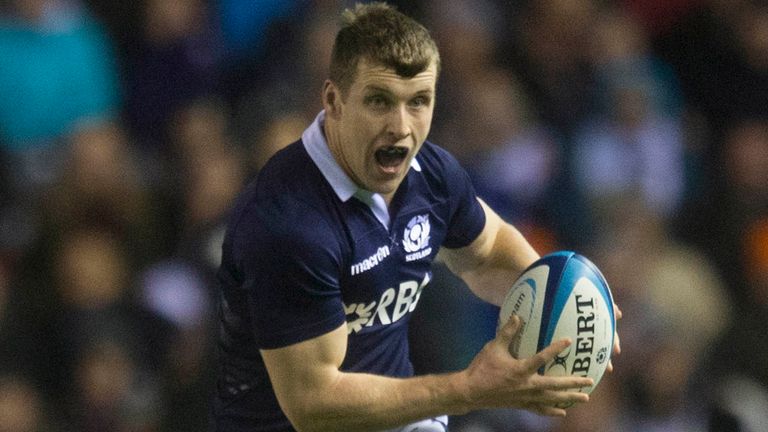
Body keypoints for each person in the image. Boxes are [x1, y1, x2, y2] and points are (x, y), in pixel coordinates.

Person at [211, 3, 619, 431]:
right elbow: (315, 405)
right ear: (334, 100)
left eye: (418, 101)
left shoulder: (431, 176)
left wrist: (570, 305)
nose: (401, 127)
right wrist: (469, 389)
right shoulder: (288, 223)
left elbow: (488, 250)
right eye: (379, 101)